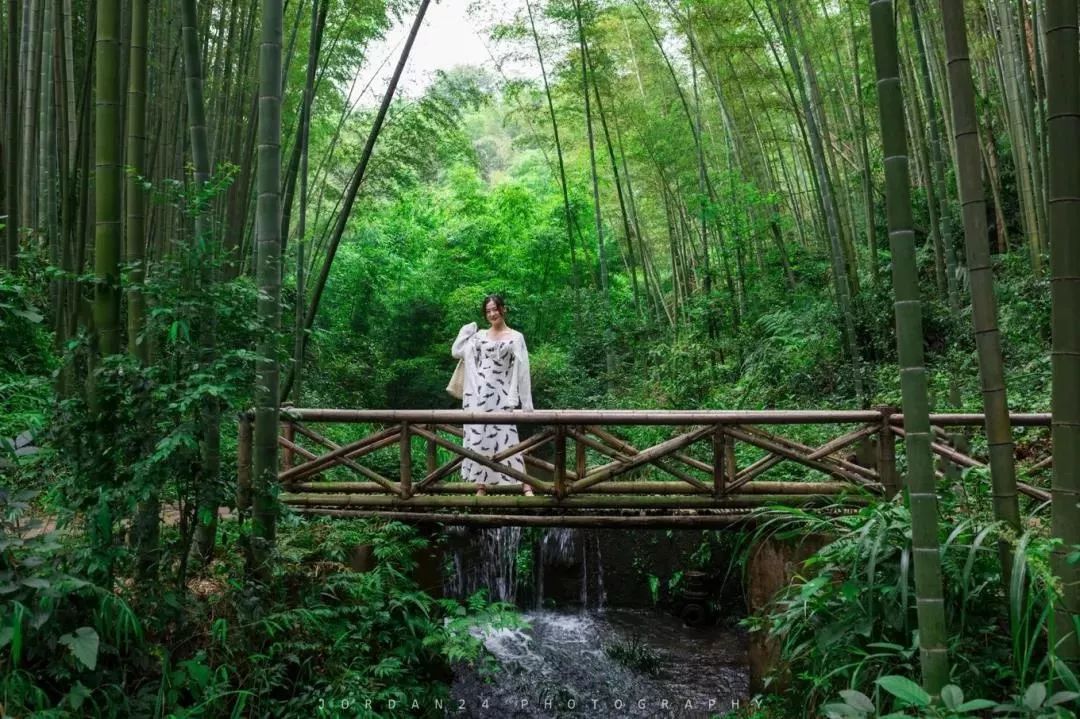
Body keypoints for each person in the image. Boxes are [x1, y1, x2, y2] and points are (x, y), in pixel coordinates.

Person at [451, 294, 534, 497]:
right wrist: (467, 330)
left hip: (503, 395)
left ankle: (525, 484)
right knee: (480, 440)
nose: (491, 314)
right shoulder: (478, 336)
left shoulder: (516, 337)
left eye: (495, 309)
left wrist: (526, 404)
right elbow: (456, 351)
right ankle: (481, 486)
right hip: (478, 395)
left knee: (508, 439)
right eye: (488, 311)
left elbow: (523, 372)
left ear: (503, 309)